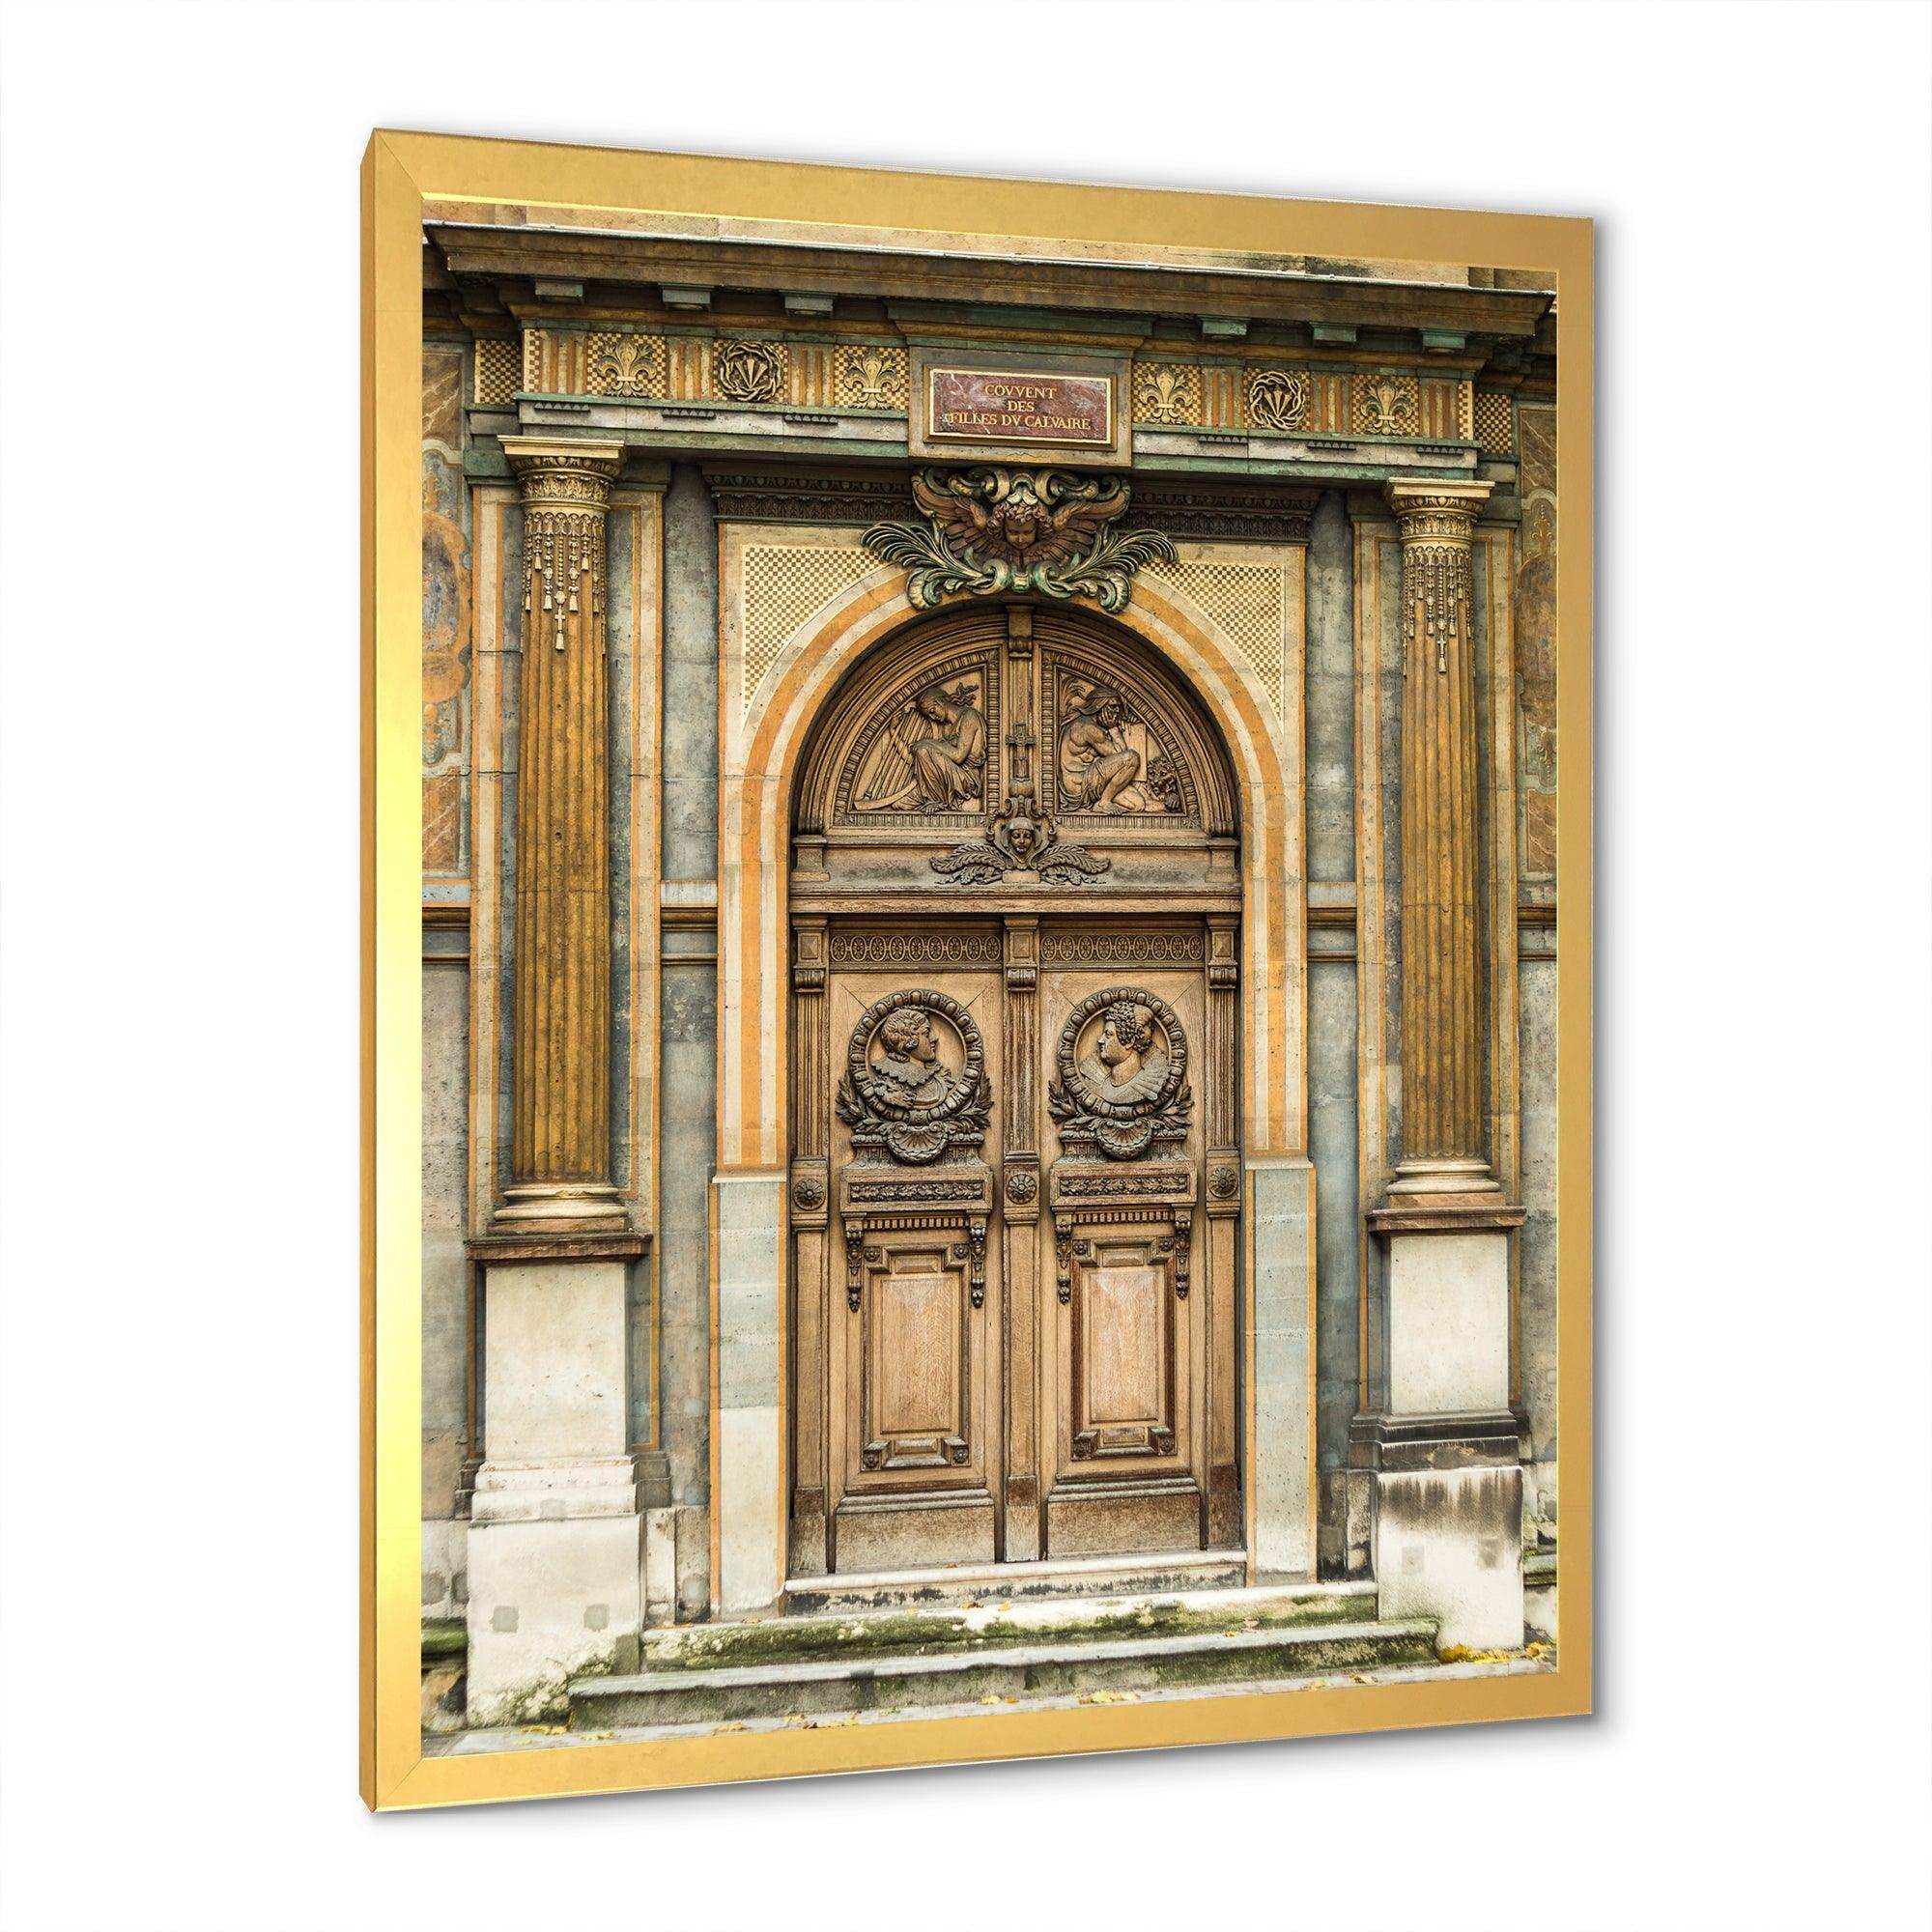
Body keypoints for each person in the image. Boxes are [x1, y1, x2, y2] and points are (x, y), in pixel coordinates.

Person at [1059, 684, 1141, 810]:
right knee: (1132, 758)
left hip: (1093, 781)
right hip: (1081, 785)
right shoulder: (1087, 728)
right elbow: (1122, 756)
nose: (1117, 711)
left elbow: (1120, 764)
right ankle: (1104, 802)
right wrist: (1114, 729)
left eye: (1118, 707)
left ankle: (1103, 801)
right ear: (1099, 706)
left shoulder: (1089, 725)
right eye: (1113, 706)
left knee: (1138, 805)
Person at [1078, 1000, 1169, 1105]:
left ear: (1129, 1042)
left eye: (1108, 1035)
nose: (1100, 1040)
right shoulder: (1096, 1084)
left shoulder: (1149, 1084)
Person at [871, 1006, 955, 1108]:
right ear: (908, 1039)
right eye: (927, 1033)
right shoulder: (888, 1082)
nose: (934, 1038)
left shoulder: (939, 1079)